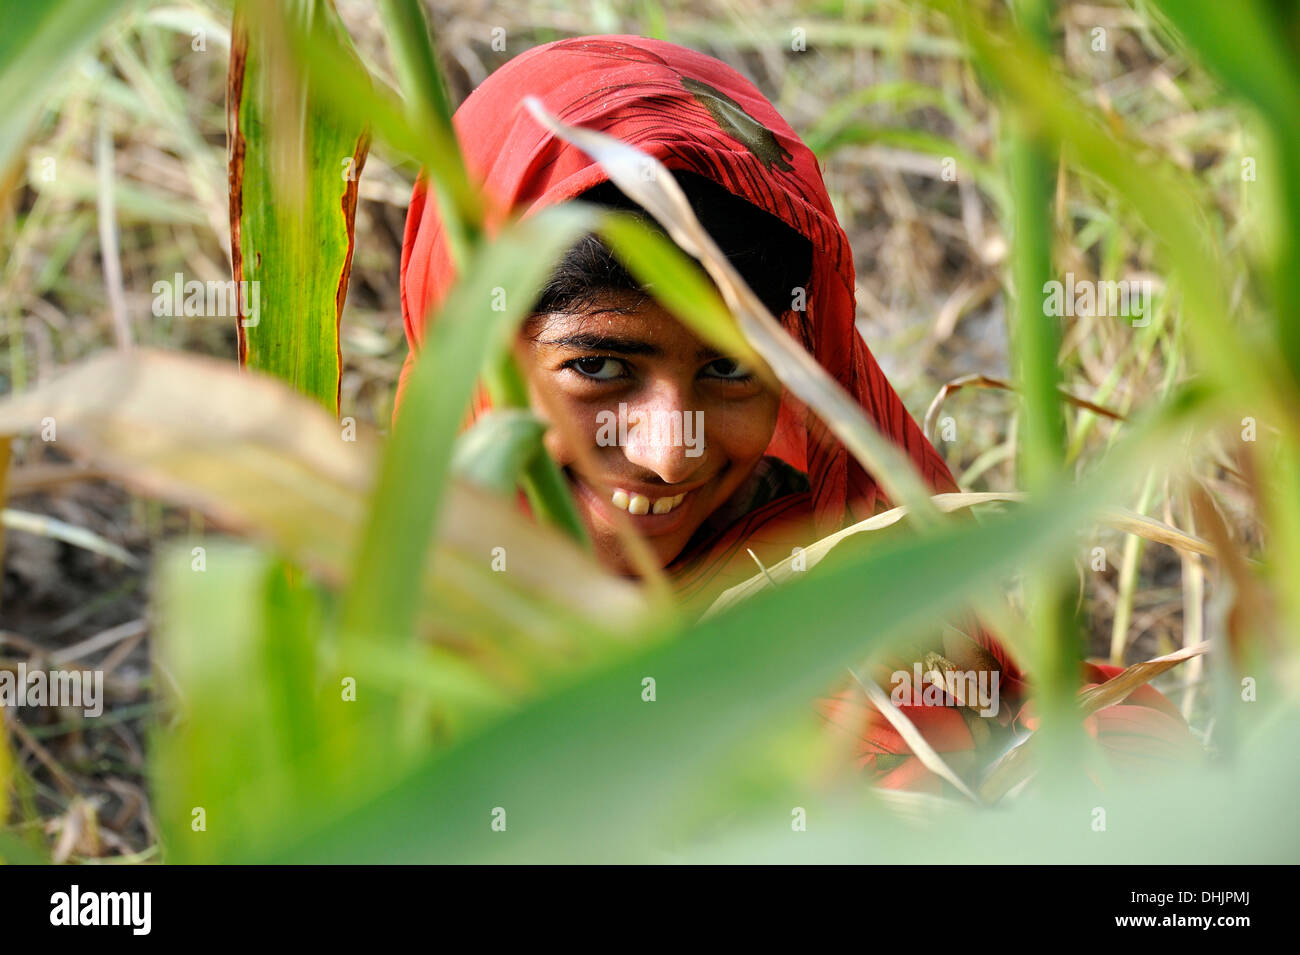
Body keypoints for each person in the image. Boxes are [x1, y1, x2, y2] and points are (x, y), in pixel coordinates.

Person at [398, 34, 1201, 792]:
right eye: (599, 367)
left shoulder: (846, 588)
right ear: (465, 334)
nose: (670, 453)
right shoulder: (338, 617)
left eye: (732, 369)